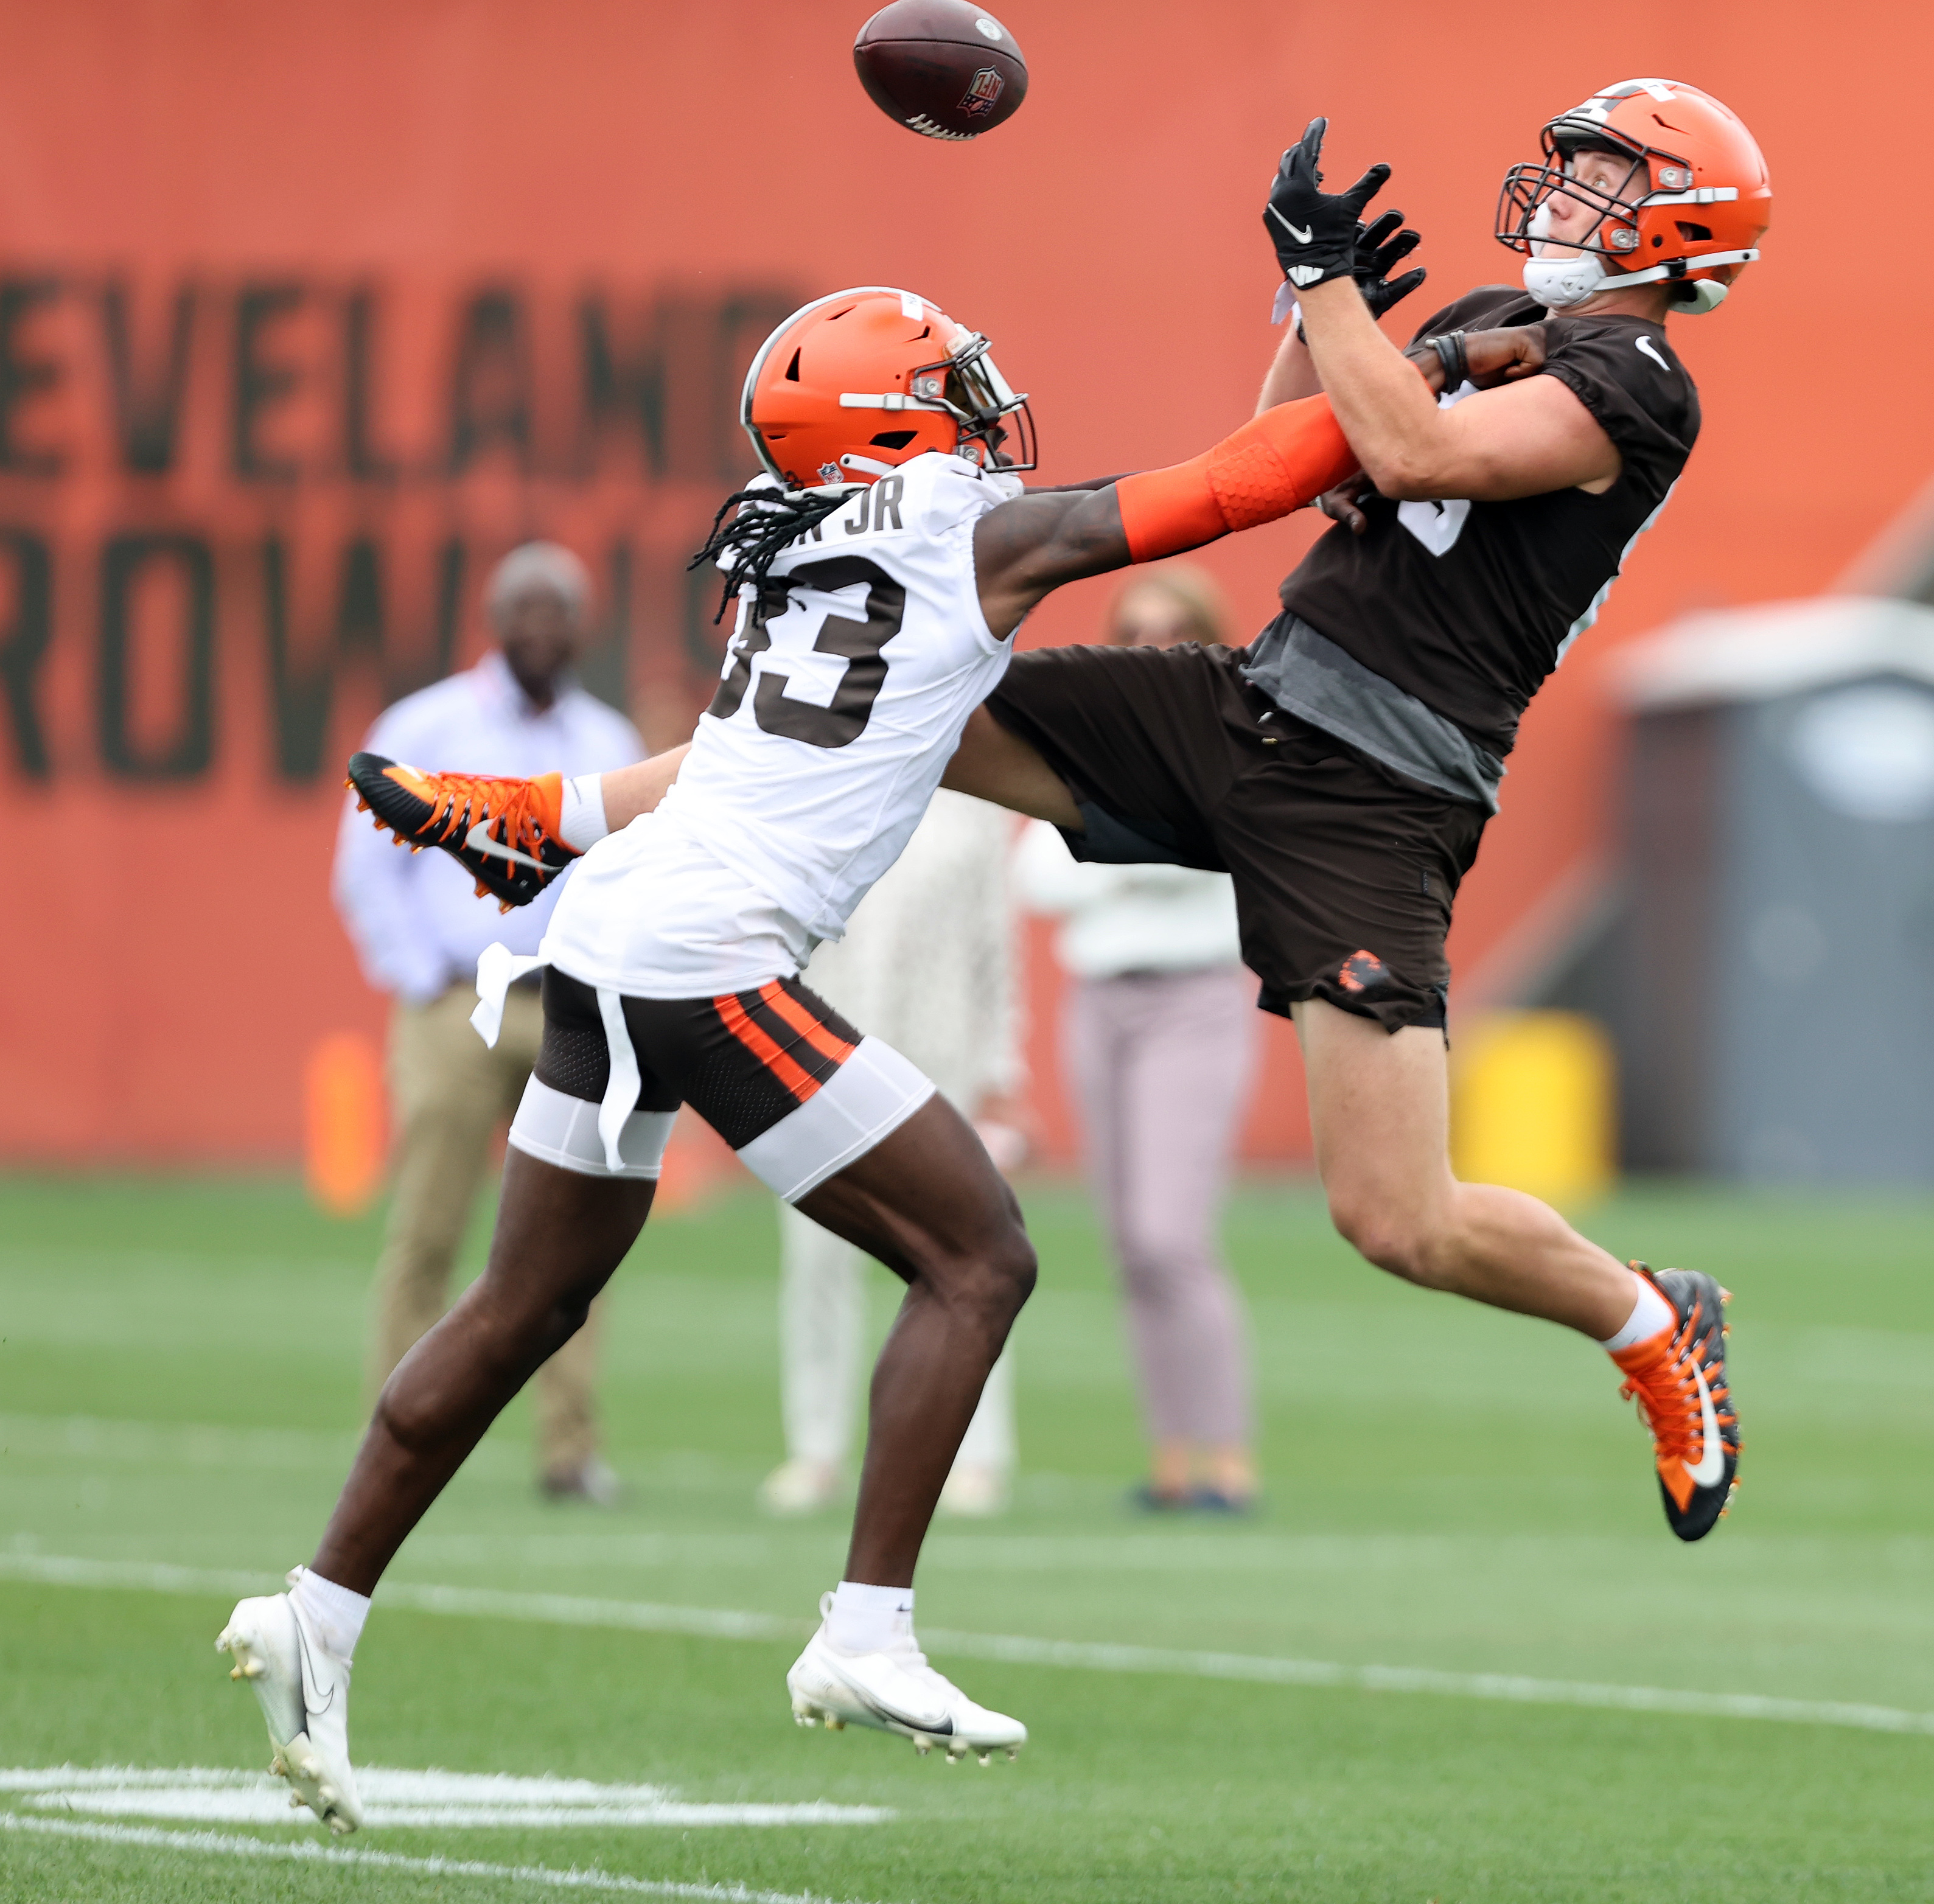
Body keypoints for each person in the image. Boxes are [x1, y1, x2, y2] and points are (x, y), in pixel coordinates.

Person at [385, 81, 1759, 1574]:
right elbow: (1275, 450)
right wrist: (1315, 315)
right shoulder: (1523, 322)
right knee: (898, 693)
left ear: (1679, 227)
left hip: (1378, 787)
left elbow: (1418, 460)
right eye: (1571, 173)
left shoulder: (1639, 381)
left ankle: (1650, 1319)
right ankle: (553, 823)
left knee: (1397, 1217)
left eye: (1606, 181)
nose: (1563, 199)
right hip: (1254, 702)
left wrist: (1336, 293)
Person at [220, 283, 1379, 1832]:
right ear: (893, 422)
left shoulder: (796, 535)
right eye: (950, 387)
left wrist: (544, 819)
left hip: (620, 936)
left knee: (522, 1304)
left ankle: (321, 1609)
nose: (984, 406)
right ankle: (866, 1630)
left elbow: (730, 762)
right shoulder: (971, 537)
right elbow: (1240, 484)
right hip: (704, 959)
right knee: (980, 1258)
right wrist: (1414, 364)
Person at [330, 540, 641, 1505]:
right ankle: (398, 1436)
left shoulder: (608, 740)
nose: (542, 629)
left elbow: (638, 870)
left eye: (559, 611)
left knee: (578, 1239)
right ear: (496, 622)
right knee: (430, 1226)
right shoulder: (428, 723)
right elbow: (366, 865)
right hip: (459, 999)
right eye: (526, 610)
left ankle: (568, 1449)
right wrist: (421, 975)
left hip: (571, 1003)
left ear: (581, 625)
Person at [1014, 567, 1260, 1512]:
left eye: (1174, 628)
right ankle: (1171, 1460)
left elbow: (1221, 845)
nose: (1154, 643)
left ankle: (1227, 1460)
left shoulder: (1235, 728)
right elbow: (1039, 875)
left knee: (1171, 1234)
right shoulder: (1089, 735)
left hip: (1191, 1000)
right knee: (1129, 1244)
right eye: (1138, 627)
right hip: (1100, 1003)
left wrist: (1109, 850)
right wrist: (1138, 853)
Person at [764, 787, 1024, 1521]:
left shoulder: (972, 805)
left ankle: (975, 1453)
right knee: (816, 1258)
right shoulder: (821, 786)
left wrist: (1002, 1065)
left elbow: (992, 942)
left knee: (966, 1254)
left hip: (940, 1058)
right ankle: (816, 1450)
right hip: (821, 1050)